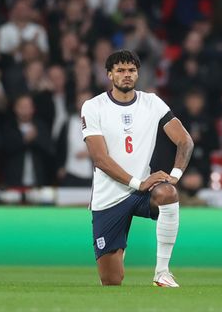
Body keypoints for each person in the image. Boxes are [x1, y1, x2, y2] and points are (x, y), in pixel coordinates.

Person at [81, 50, 194, 287]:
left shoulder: (151, 102)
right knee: (111, 280)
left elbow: (185, 140)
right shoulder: (93, 107)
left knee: (168, 193)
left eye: (131, 70)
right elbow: (100, 159)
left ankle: (162, 272)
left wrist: (175, 176)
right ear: (109, 74)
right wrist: (137, 182)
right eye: (120, 70)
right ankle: (117, 248)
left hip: (143, 192)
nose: (127, 75)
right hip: (109, 197)